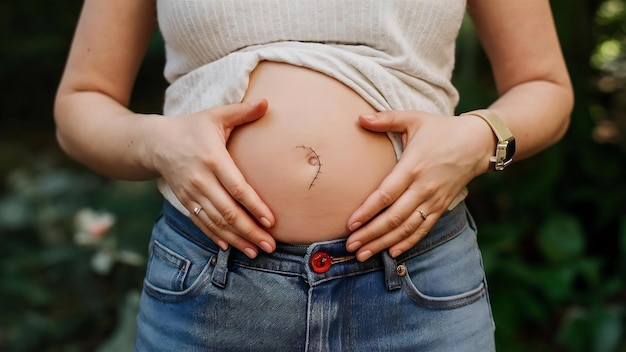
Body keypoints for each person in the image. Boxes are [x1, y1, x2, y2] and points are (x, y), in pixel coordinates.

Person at [54, 0, 573, 351]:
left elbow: (544, 86)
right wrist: (155, 142)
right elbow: (80, 106)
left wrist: (481, 137)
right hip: (210, 286)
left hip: (416, 283)